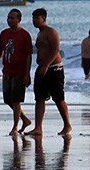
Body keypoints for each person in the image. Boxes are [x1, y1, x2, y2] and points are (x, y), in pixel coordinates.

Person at [0, 9, 33, 135]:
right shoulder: (4, 34)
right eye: (8, 17)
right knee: (8, 99)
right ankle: (25, 119)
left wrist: (27, 74)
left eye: (12, 18)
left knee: (16, 100)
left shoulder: (25, 35)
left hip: (19, 71)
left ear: (19, 19)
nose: (10, 20)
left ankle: (15, 126)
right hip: (7, 71)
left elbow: (29, 55)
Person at [27, 8, 71, 137]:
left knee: (58, 98)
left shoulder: (51, 31)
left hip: (54, 68)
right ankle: (38, 128)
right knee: (39, 98)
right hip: (42, 68)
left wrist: (46, 65)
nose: (34, 21)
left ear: (44, 19)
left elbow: (55, 49)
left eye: (37, 18)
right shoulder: (40, 33)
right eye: (33, 18)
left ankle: (67, 124)